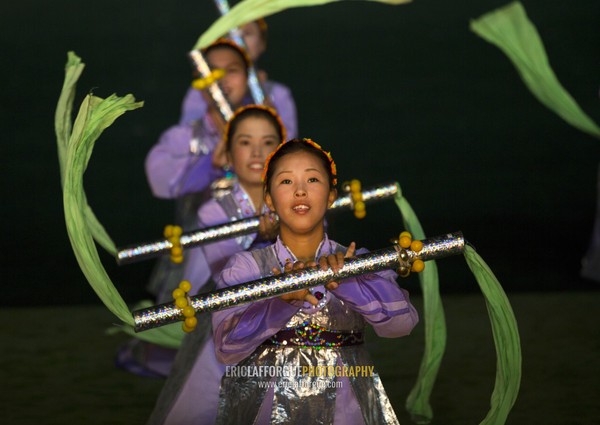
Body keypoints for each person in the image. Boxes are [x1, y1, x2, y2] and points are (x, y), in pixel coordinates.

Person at [212, 139, 419, 424]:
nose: (300, 190)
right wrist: (281, 303)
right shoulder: (245, 268)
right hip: (263, 405)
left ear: (331, 195)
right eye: (286, 181)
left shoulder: (359, 262)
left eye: (312, 179)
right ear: (269, 198)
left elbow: (402, 324)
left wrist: (346, 283)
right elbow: (226, 349)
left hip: (349, 406)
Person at [116, 38, 256, 379]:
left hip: (258, 255)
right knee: (194, 358)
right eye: (211, 72)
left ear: (248, 76)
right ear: (198, 83)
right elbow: (159, 177)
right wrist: (210, 162)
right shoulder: (185, 136)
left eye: (232, 70)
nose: (221, 79)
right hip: (200, 260)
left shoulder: (264, 129)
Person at [146, 105, 286, 425]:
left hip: (289, 321)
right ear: (227, 152)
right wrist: (262, 241)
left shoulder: (297, 199)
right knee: (204, 406)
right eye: (245, 142)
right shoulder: (213, 212)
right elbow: (229, 273)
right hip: (229, 323)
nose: (256, 152)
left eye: (267, 143)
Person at [179, 19, 298, 139]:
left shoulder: (278, 93)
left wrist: (272, 124)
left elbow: (287, 143)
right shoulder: (202, 91)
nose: (238, 40)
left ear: (262, 43)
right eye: (230, 34)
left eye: (247, 33)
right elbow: (185, 138)